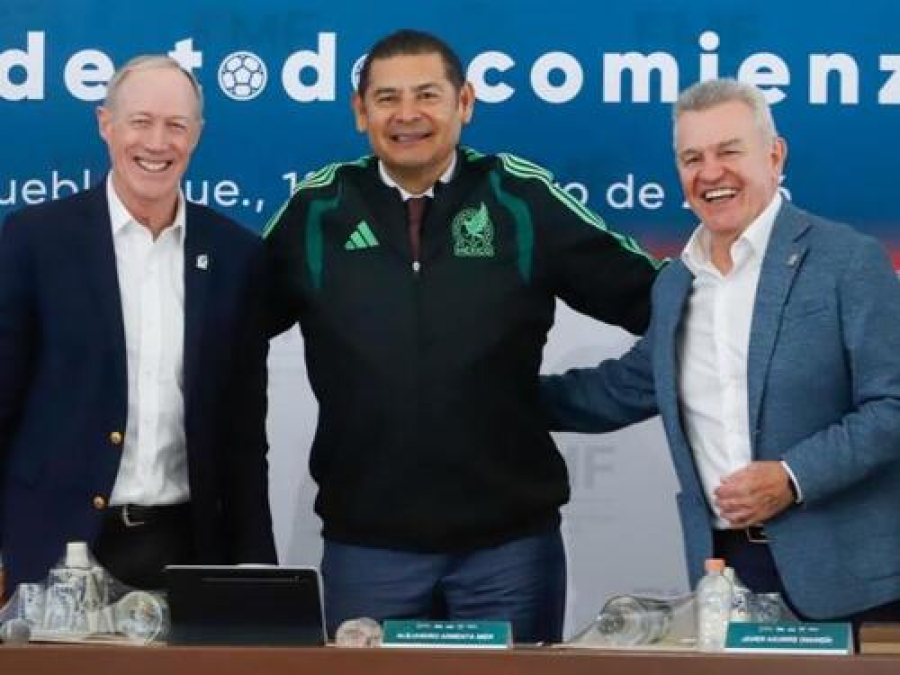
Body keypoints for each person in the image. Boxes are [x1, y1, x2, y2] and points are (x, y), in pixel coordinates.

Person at [264, 29, 661, 642]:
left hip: (509, 554)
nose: (407, 115)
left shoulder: (520, 198)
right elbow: (224, 332)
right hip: (368, 552)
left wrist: (575, 400)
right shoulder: (316, 210)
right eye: (387, 98)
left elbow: (662, 304)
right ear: (361, 112)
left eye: (427, 94)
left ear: (465, 103)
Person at [542, 78, 900, 630]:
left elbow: (892, 406)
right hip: (725, 578)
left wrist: (792, 477)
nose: (710, 173)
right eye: (693, 158)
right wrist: (493, 396)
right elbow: (626, 387)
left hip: (851, 582)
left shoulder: (847, 260)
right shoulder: (676, 282)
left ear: (774, 156)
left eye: (729, 151)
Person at [0, 55, 276, 597]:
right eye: (140, 122)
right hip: (54, 547)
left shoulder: (236, 255)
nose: (157, 142)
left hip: (188, 548)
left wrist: (256, 565)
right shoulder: (34, 240)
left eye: (175, 125)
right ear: (106, 124)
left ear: (196, 134)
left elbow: (244, 433)